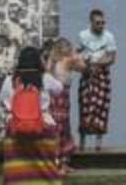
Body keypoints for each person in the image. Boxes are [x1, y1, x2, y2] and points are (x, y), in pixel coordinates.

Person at [0, 46, 64, 184]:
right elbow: (59, 89)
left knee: (17, 168)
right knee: (46, 166)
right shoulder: (45, 78)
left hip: (15, 127)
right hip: (43, 126)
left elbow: (2, 102)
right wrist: (46, 70)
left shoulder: (9, 80)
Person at [77, 9, 116, 151]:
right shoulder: (83, 35)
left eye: (103, 22)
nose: (101, 25)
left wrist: (99, 63)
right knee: (85, 106)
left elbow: (112, 57)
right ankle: (82, 142)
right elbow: (78, 52)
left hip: (102, 74)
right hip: (87, 74)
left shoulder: (109, 36)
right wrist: (83, 62)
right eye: (98, 23)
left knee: (101, 107)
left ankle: (98, 143)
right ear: (91, 22)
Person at [46, 39, 85, 174]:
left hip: (53, 100)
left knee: (60, 129)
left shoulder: (52, 62)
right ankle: (61, 164)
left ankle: (59, 163)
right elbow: (83, 66)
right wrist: (77, 53)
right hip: (62, 99)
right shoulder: (68, 60)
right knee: (62, 130)